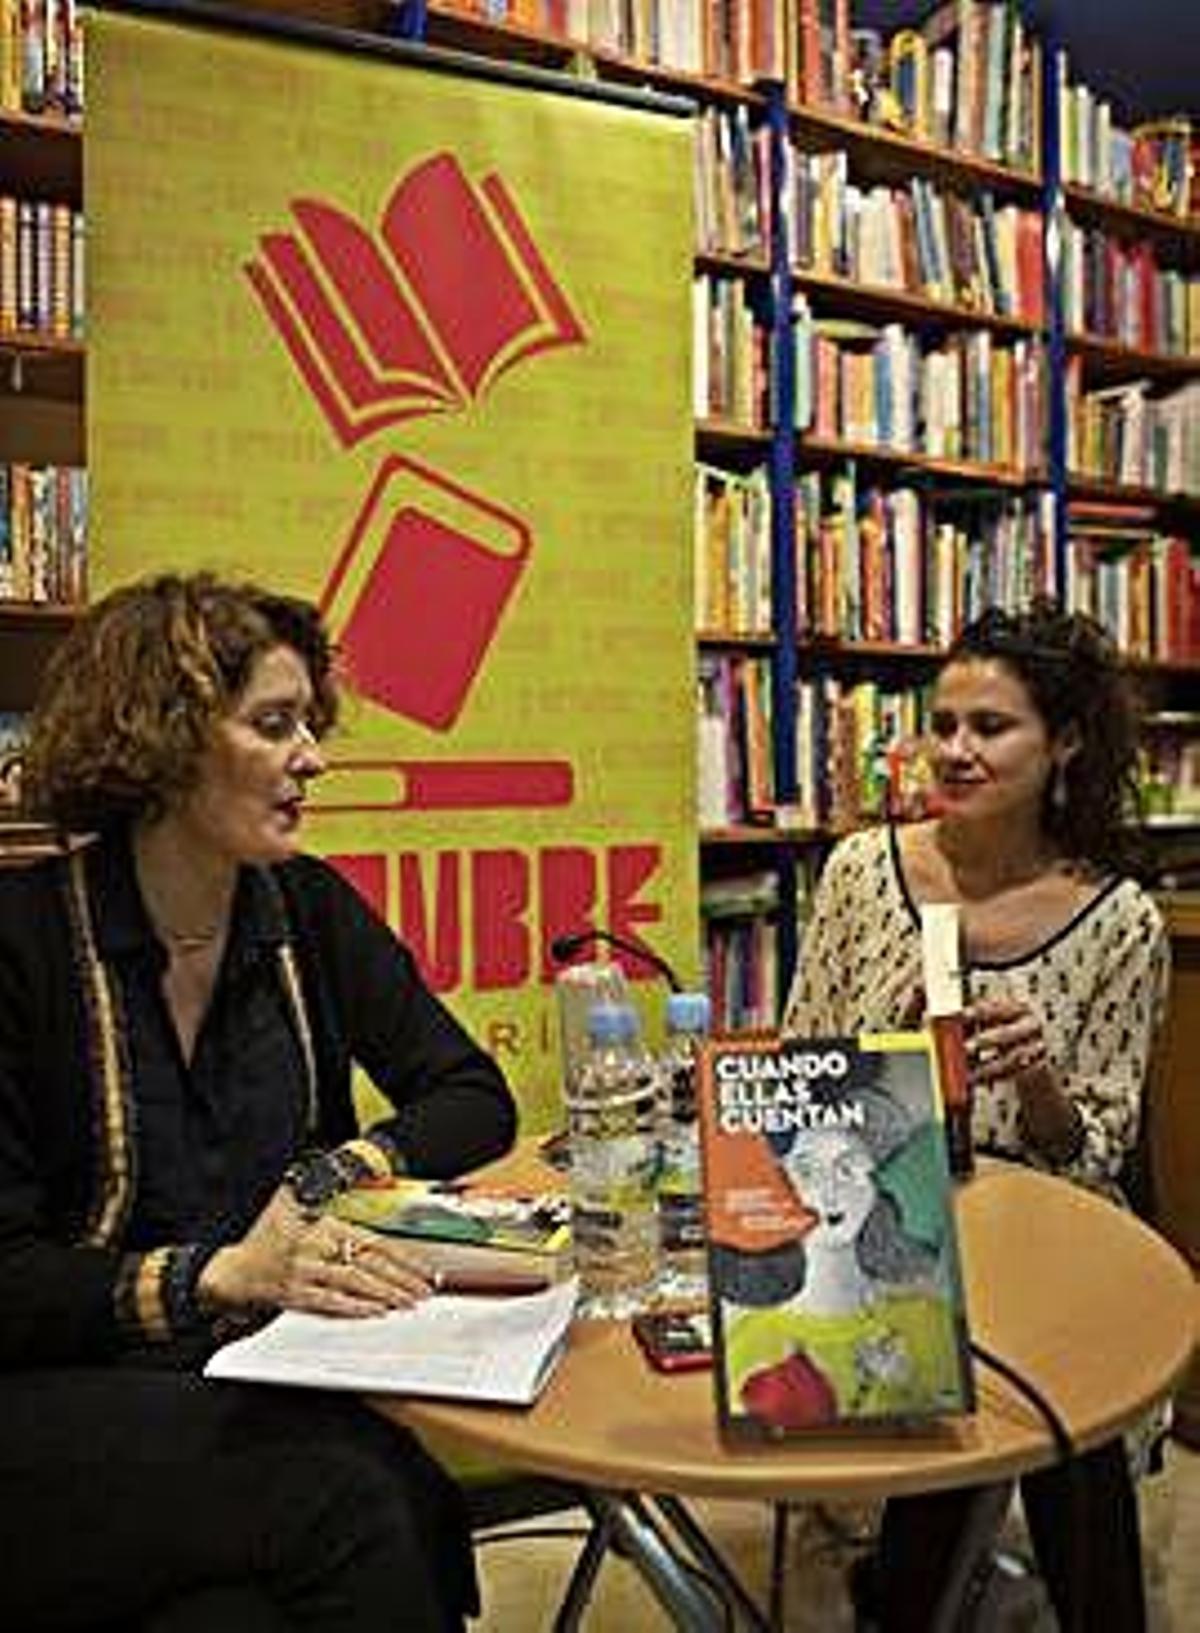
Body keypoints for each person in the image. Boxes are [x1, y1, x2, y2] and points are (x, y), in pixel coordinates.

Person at [0, 572, 518, 1632]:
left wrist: (331, 1177)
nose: (313, 758)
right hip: (45, 1394)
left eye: (309, 724)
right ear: (165, 737)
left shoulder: (307, 908)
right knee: (359, 1493)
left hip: (234, 1380)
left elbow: (470, 1093)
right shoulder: (21, 942)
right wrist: (224, 1271)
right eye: (274, 725)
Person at [782, 601, 1169, 1633]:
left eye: (989, 727)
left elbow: (1100, 1149)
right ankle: (914, 1594)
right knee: (946, 1340)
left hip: (1048, 1243)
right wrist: (885, 1071)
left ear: (1067, 742)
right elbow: (797, 1071)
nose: (953, 751)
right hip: (890, 1224)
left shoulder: (1121, 919)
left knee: (1056, 1391)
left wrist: (1037, 1078)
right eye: (941, 722)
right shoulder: (865, 872)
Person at [715, 1072, 965, 1430]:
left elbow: (957, 1436)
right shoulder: (744, 1345)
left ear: (877, 1182)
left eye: (848, 1168)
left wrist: (907, 1386)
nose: (830, 1193)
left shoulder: (931, 1322)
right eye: (808, 1172)